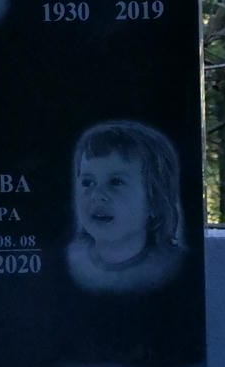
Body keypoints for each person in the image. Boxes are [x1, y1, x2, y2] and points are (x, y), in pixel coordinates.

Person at [65, 121, 185, 295]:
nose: (97, 195)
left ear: (155, 200)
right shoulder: (68, 261)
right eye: (87, 182)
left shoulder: (176, 267)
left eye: (116, 182)